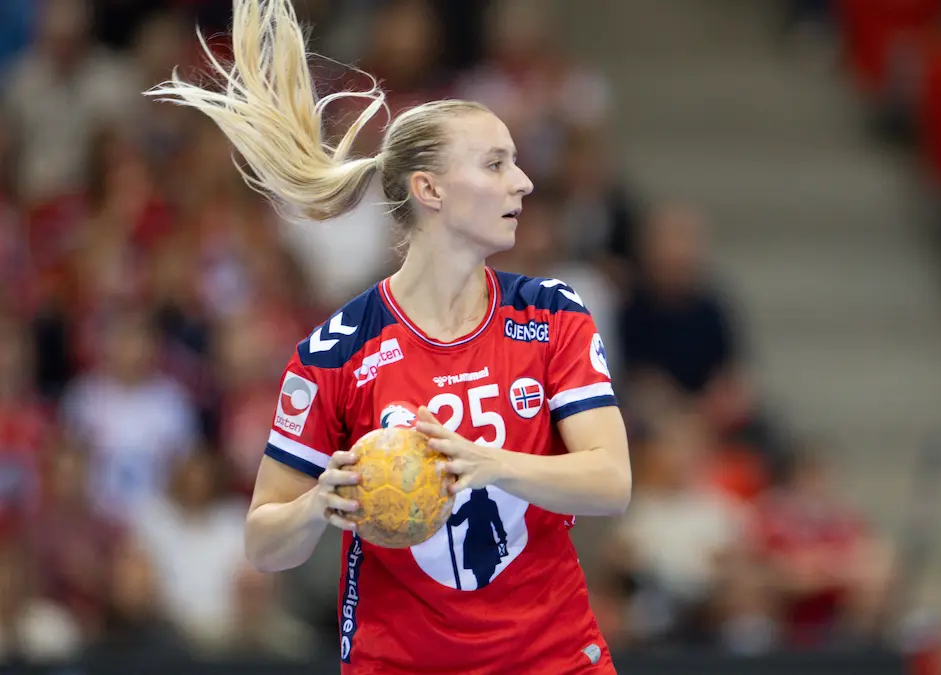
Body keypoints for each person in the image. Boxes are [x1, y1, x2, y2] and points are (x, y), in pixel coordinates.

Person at [144, 1, 631, 674]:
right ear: (429, 188)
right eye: (494, 164)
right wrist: (319, 503)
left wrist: (488, 464)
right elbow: (264, 540)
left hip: (551, 657)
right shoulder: (336, 352)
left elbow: (610, 481)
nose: (521, 181)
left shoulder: (553, 315)